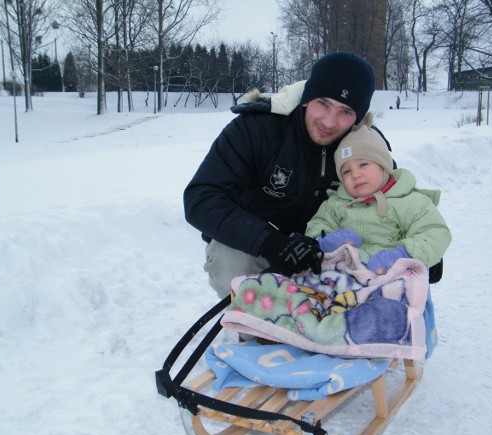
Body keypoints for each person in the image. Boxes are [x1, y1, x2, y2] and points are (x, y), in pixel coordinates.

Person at [184, 52, 377, 298]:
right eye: (323, 103)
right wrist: (271, 242)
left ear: (358, 118)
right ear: (307, 98)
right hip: (259, 251)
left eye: (346, 112)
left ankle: (332, 328)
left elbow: (393, 199)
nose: (329, 122)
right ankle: (256, 329)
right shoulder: (256, 128)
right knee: (231, 262)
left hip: (326, 257)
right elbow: (201, 198)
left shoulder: (366, 148)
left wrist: (420, 248)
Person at [305, 115, 452, 277]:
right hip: (350, 280)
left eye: (363, 164)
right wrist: (326, 240)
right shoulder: (335, 204)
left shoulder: (409, 201)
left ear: (384, 166)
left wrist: (404, 254)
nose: (355, 174)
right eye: (346, 171)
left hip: (399, 277)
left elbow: (435, 232)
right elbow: (317, 225)